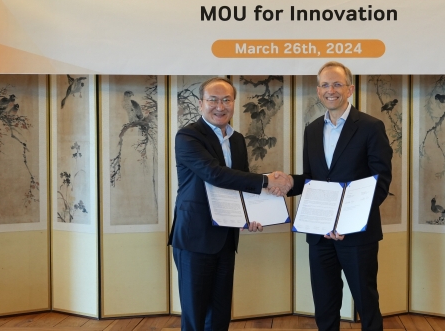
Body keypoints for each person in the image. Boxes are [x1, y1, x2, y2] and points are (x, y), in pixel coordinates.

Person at [168, 77, 292, 331]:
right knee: (195, 315)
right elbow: (215, 174)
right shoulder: (188, 136)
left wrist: (251, 215)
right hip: (195, 237)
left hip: (226, 235)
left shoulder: (237, 140)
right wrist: (268, 180)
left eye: (226, 100)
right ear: (200, 103)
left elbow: (241, 185)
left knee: (221, 313)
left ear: (234, 103)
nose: (220, 106)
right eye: (213, 100)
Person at [278, 62, 392, 331]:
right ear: (318, 91)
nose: (331, 90)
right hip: (320, 235)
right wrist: (289, 182)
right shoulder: (312, 129)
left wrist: (346, 222)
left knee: (367, 303)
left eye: (337, 84)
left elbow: (381, 182)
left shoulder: (371, 127)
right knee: (325, 305)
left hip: (356, 234)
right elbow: (313, 179)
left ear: (350, 89)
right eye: (325, 85)